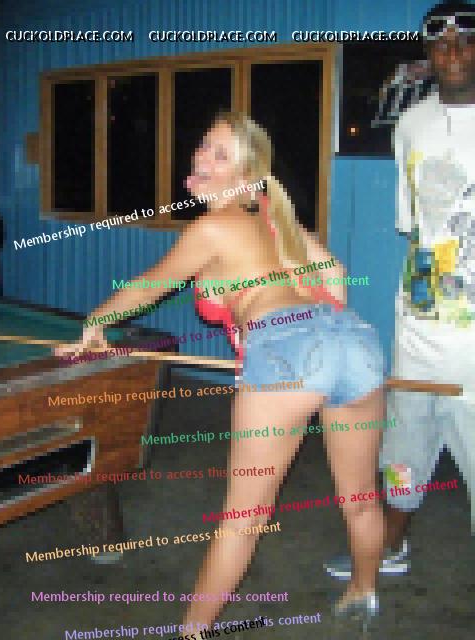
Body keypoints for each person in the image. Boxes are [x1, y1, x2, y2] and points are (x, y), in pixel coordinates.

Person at [56, 111, 386, 631]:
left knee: (242, 521)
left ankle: (192, 632)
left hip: (287, 349)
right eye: (204, 146)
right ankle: (364, 591)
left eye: (220, 154)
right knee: (361, 498)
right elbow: (336, 275)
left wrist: (97, 321)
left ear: (246, 176)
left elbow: (148, 286)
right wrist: (316, 341)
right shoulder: (280, 221)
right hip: (355, 342)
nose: (202, 158)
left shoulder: (212, 227)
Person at [325, 0, 475, 583]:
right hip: (419, 331)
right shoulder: (411, 124)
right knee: (402, 455)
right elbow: (415, 228)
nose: (452, 52)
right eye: (440, 43)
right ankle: (390, 545)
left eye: (465, 40)